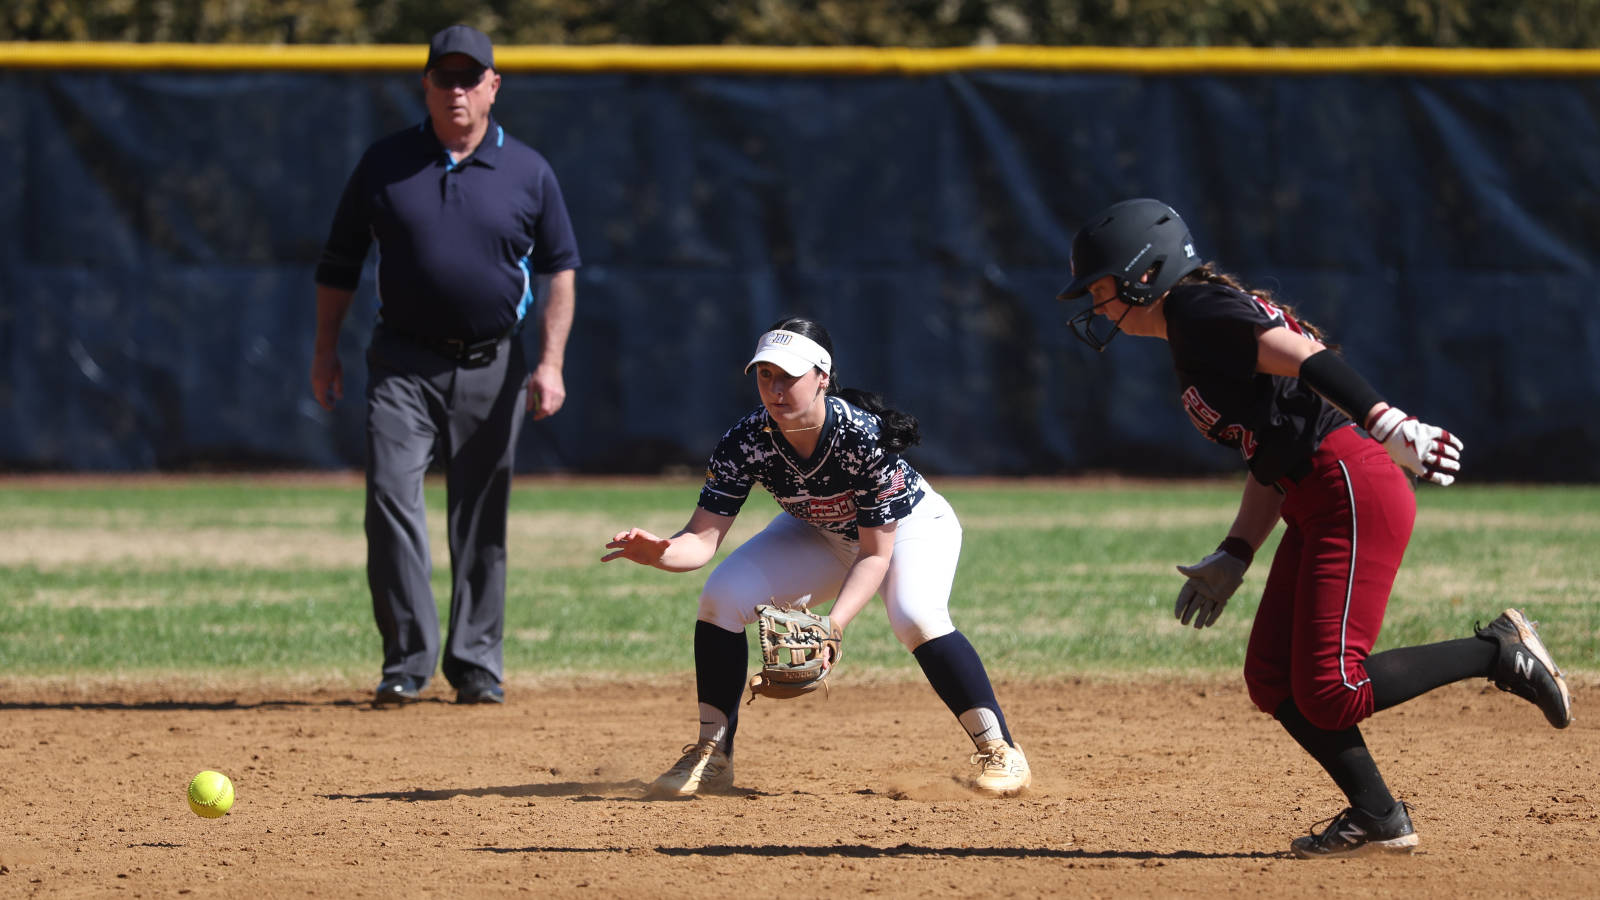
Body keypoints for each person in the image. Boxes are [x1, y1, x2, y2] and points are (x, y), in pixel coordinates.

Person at [1057, 198, 1572, 859]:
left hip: (1350, 485)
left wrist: (1388, 422)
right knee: (1272, 676)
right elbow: (1272, 449)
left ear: (1143, 274)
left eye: (1099, 288)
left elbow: (1305, 357)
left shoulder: (1198, 311)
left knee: (1334, 691)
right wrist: (1237, 551)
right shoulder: (1198, 321)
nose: (1094, 305)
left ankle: (1500, 651)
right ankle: (1379, 815)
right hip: (1316, 493)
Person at [602, 317, 1032, 799]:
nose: (775, 388)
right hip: (820, 531)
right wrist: (662, 552)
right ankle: (712, 755)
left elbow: (873, 554)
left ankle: (1002, 751)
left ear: (823, 377)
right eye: (766, 375)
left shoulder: (860, 438)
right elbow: (699, 542)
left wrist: (833, 626)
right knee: (720, 598)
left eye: (789, 375)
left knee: (914, 616)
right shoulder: (747, 440)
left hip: (908, 528)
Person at [309, 25, 580, 707]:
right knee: (390, 498)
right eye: (445, 77)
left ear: (493, 86)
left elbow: (559, 271)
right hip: (402, 360)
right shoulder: (385, 163)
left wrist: (549, 364)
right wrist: (324, 351)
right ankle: (406, 660)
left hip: (493, 362)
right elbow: (339, 263)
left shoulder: (528, 171)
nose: (457, 90)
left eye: (471, 77)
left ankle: (476, 664)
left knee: (481, 514)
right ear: (425, 85)